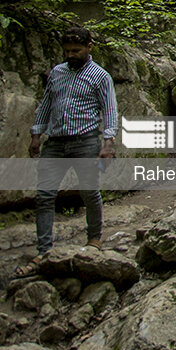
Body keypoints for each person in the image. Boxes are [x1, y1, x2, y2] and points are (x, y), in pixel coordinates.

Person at [19, 26, 117, 273]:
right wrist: (36, 134)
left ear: (89, 48)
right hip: (55, 142)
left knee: (89, 192)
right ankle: (44, 251)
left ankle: (94, 239)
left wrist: (108, 142)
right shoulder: (57, 73)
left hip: (85, 141)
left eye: (76, 50)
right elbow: (46, 104)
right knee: (44, 196)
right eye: (67, 51)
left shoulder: (100, 76)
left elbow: (110, 110)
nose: (71, 54)